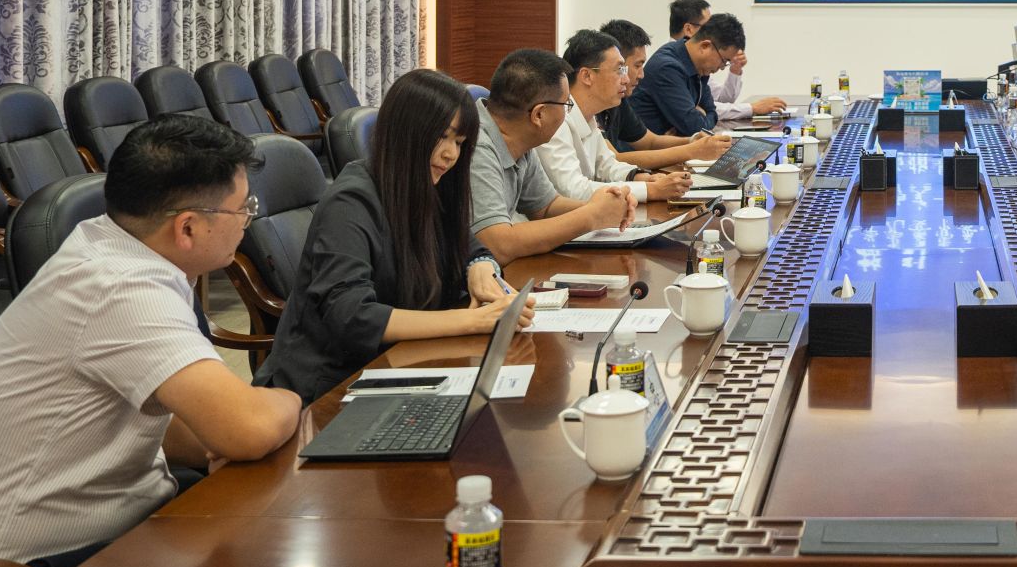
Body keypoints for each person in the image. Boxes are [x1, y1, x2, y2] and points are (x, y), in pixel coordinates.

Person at [0, 116, 300, 567]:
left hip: (100, 532)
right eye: (243, 209)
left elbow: (165, 418)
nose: (248, 222)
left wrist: (217, 440)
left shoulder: (115, 246)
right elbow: (249, 427)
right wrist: (290, 400)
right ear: (188, 228)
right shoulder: (118, 287)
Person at [256, 69, 538, 404]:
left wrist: (480, 266)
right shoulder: (352, 200)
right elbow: (351, 314)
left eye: (460, 143)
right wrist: (470, 320)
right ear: (407, 131)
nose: (451, 154)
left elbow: (468, 244)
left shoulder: (427, 184)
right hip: (328, 387)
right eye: (442, 137)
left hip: (400, 364)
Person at [470, 49, 634, 263]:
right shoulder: (476, 146)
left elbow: (546, 207)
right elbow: (498, 244)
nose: (568, 113)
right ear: (539, 114)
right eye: (567, 105)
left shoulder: (520, 139)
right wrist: (592, 215)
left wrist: (606, 207)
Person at [538, 30, 691, 205]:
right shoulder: (556, 118)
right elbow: (573, 190)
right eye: (619, 70)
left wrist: (641, 178)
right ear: (587, 76)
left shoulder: (589, 115)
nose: (626, 79)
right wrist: (650, 190)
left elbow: (607, 166)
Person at [597, 19, 732, 171]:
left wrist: (692, 141)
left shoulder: (618, 99)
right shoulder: (589, 106)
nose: (641, 75)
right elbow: (614, 160)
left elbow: (649, 142)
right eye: (637, 65)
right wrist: (692, 150)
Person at [631, 12, 746, 137]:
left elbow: (712, 112)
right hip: (646, 147)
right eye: (724, 61)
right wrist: (700, 115)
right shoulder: (667, 68)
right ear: (705, 46)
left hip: (675, 144)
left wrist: (701, 115)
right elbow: (695, 127)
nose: (722, 68)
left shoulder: (699, 67)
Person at [671, 0, 784, 121]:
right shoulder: (671, 65)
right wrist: (752, 108)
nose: (713, 30)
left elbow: (720, 101)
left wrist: (735, 70)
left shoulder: (695, 62)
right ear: (688, 29)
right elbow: (698, 114)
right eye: (707, 26)